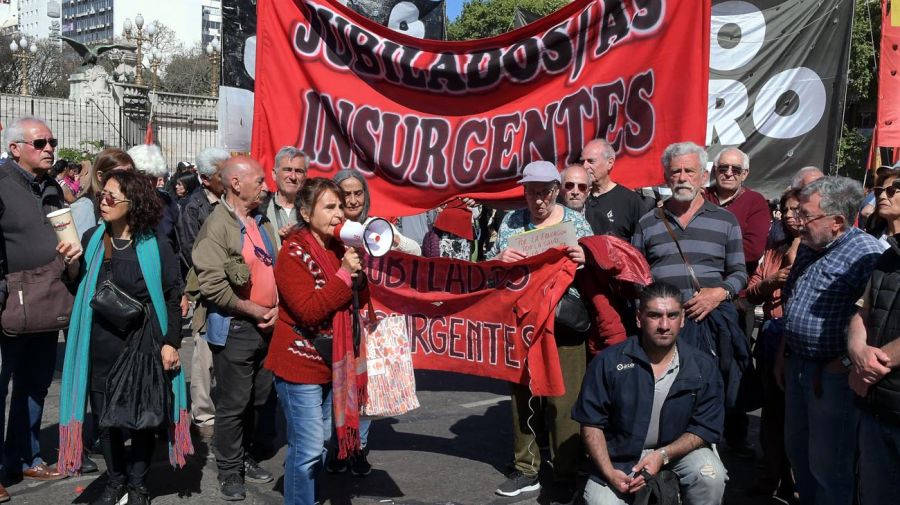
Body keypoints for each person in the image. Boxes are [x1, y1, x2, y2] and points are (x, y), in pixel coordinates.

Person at [57, 170, 191, 505]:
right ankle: (115, 482)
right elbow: (77, 288)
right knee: (106, 422)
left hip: (142, 345)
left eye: (111, 197)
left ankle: (138, 485)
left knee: (142, 420)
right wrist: (71, 266)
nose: (103, 201)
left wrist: (171, 342)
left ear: (133, 204)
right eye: (102, 194)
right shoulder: (91, 239)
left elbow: (172, 297)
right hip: (100, 343)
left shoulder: (156, 245)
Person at [487, 160, 592, 502]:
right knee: (522, 398)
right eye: (531, 192)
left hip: (563, 325)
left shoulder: (576, 222)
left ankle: (564, 472)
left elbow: (598, 271)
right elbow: (490, 271)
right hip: (521, 325)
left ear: (556, 191)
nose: (538, 200)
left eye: (545, 192)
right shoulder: (511, 222)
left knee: (564, 402)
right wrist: (500, 256)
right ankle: (526, 468)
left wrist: (584, 259)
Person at [573, 281, 726, 505]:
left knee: (711, 476)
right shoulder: (608, 362)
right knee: (600, 502)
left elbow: (705, 426)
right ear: (638, 318)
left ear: (683, 319)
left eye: (672, 315)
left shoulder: (703, 366)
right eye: (654, 315)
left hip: (676, 453)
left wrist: (663, 455)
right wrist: (608, 472)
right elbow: (590, 423)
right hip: (620, 457)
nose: (664, 325)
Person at [779, 176, 883, 505]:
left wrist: (846, 364)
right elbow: (793, 298)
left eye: (806, 215)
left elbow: (875, 323)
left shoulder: (866, 255)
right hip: (798, 367)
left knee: (831, 469)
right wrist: (786, 352)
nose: (798, 222)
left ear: (837, 221)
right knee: (799, 455)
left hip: (833, 378)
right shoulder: (812, 244)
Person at [264, 177, 365, 505]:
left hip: (331, 360)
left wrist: (359, 278)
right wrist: (343, 276)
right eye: (330, 207)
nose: (340, 213)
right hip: (299, 360)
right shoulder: (293, 253)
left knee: (319, 440)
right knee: (308, 449)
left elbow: (358, 301)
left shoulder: (339, 248)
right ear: (306, 214)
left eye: (340, 206)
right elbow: (308, 311)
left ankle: (301, 485)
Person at [631, 142, 749, 412]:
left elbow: (740, 273)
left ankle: (707, 449)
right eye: (675, 172)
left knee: (709, 395)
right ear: (666, 177)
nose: (682, 178)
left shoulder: (726, 220)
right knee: (665, 396)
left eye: (689, 171)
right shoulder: (647, 222)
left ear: (703, 176)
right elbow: (636, 276)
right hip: (662, 327)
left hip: (708, 324)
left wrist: (718, 294)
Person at [193, 156, 278, 500]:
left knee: (259, 399)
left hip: (267, 327)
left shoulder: (260, 221)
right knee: (233, 403)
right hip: (237, 328)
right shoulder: (217, 225)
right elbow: (212, 284)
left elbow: (275, 266)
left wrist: (277, 308)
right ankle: (230, 471)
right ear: (236, 184)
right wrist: (253, 308)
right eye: (258, 180)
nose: (265, 186)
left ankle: (245, 456)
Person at [328, 169, 421, 475]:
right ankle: (337, 445)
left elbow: (415, 251)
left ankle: (358, 447)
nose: (352, 199)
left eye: (358, 193)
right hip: (337, 318)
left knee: (365, 388)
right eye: (346, 193)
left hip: (370, 322)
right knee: (337, 385)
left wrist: (390, 238)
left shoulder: (375, 226)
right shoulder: (328, 226)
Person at [0, 117, 68, 500]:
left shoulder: (52, 187)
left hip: (46, 302)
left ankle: (25, 455)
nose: (49, 148)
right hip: (9, 304)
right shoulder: (2, 185)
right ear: (15, 149)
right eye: (40, 142)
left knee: (35, 383)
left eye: (51, 141)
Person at [703, 147, 770, 455]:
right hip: (697, 297)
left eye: (735, 169)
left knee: (733, 369)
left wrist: (705, 245)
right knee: (699, 367)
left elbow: (752, 249)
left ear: (745, 174)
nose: (728, 173)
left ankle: (736, 434)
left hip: (735, 300)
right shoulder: (700, 197)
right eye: (723, 167)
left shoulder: (755, 203)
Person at [744, 189, 802, 500]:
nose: (792, 216)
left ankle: (796, 482)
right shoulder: (772, 251)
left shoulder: (821, 250)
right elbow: (752, 291)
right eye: (786, 209)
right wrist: (773, 281)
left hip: (804, 344)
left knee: (800, 418)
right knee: (773, 416)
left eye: (798, 209)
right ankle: (769, 477)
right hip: (772, 336)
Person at [847, 172, 900, 504]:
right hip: (877, 404)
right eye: (882, 187)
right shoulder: (887, 256)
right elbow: (861, 309)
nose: (884, 193)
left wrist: (874, 363)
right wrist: (856, 350)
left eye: (895, 188)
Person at [176, 146, 230, 441]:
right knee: (204, 353)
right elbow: (191, 251)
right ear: (208, 179)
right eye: (224, 173)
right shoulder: (194, 207)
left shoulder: (233, 202)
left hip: (235, 290)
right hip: (206, 289)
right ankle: (204, 414)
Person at [333, 169, 421, 256]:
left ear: (365, 195)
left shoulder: (378, 225)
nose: (353, 201)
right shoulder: (330, 228)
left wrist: (392, 239)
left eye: (358, 193)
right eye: (346, 195)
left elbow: (417, 252)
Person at [581, 139, 649, 240]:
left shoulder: (630, 200)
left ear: (610, 163)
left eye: (591, 161)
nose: (584, 166)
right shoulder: (577, 197)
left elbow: (646, 239)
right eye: (582, 161)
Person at [71, 149, 135, 240]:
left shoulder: (132, 201)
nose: (127, 179)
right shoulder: (84, 206)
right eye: (119, 174)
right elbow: (82, 248)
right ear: (100, 176)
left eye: (130, 173)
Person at [127, 144, 180, 254]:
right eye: (145, 178)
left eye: (154, 178)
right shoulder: (124, 202)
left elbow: (179, 239)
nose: (150, 183)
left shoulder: (167, 201)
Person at [261, 146, 307, 247]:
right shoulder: (259, 207)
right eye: (287, 170)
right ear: (274, 174)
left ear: (305, 177)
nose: (293, 177)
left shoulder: (312, 211)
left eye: (298, 171)